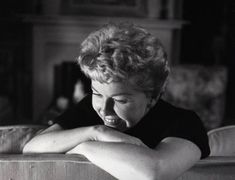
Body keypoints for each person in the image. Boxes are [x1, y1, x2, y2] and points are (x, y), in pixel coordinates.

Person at [23, 22, 210, 180]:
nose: (105, 110)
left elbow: (153, 172)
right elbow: (32, 147)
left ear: (153, 97)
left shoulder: (184, 123)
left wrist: (82, 146)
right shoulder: (89, 109)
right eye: (97, 93)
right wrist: (96, 132)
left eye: (120, 100)